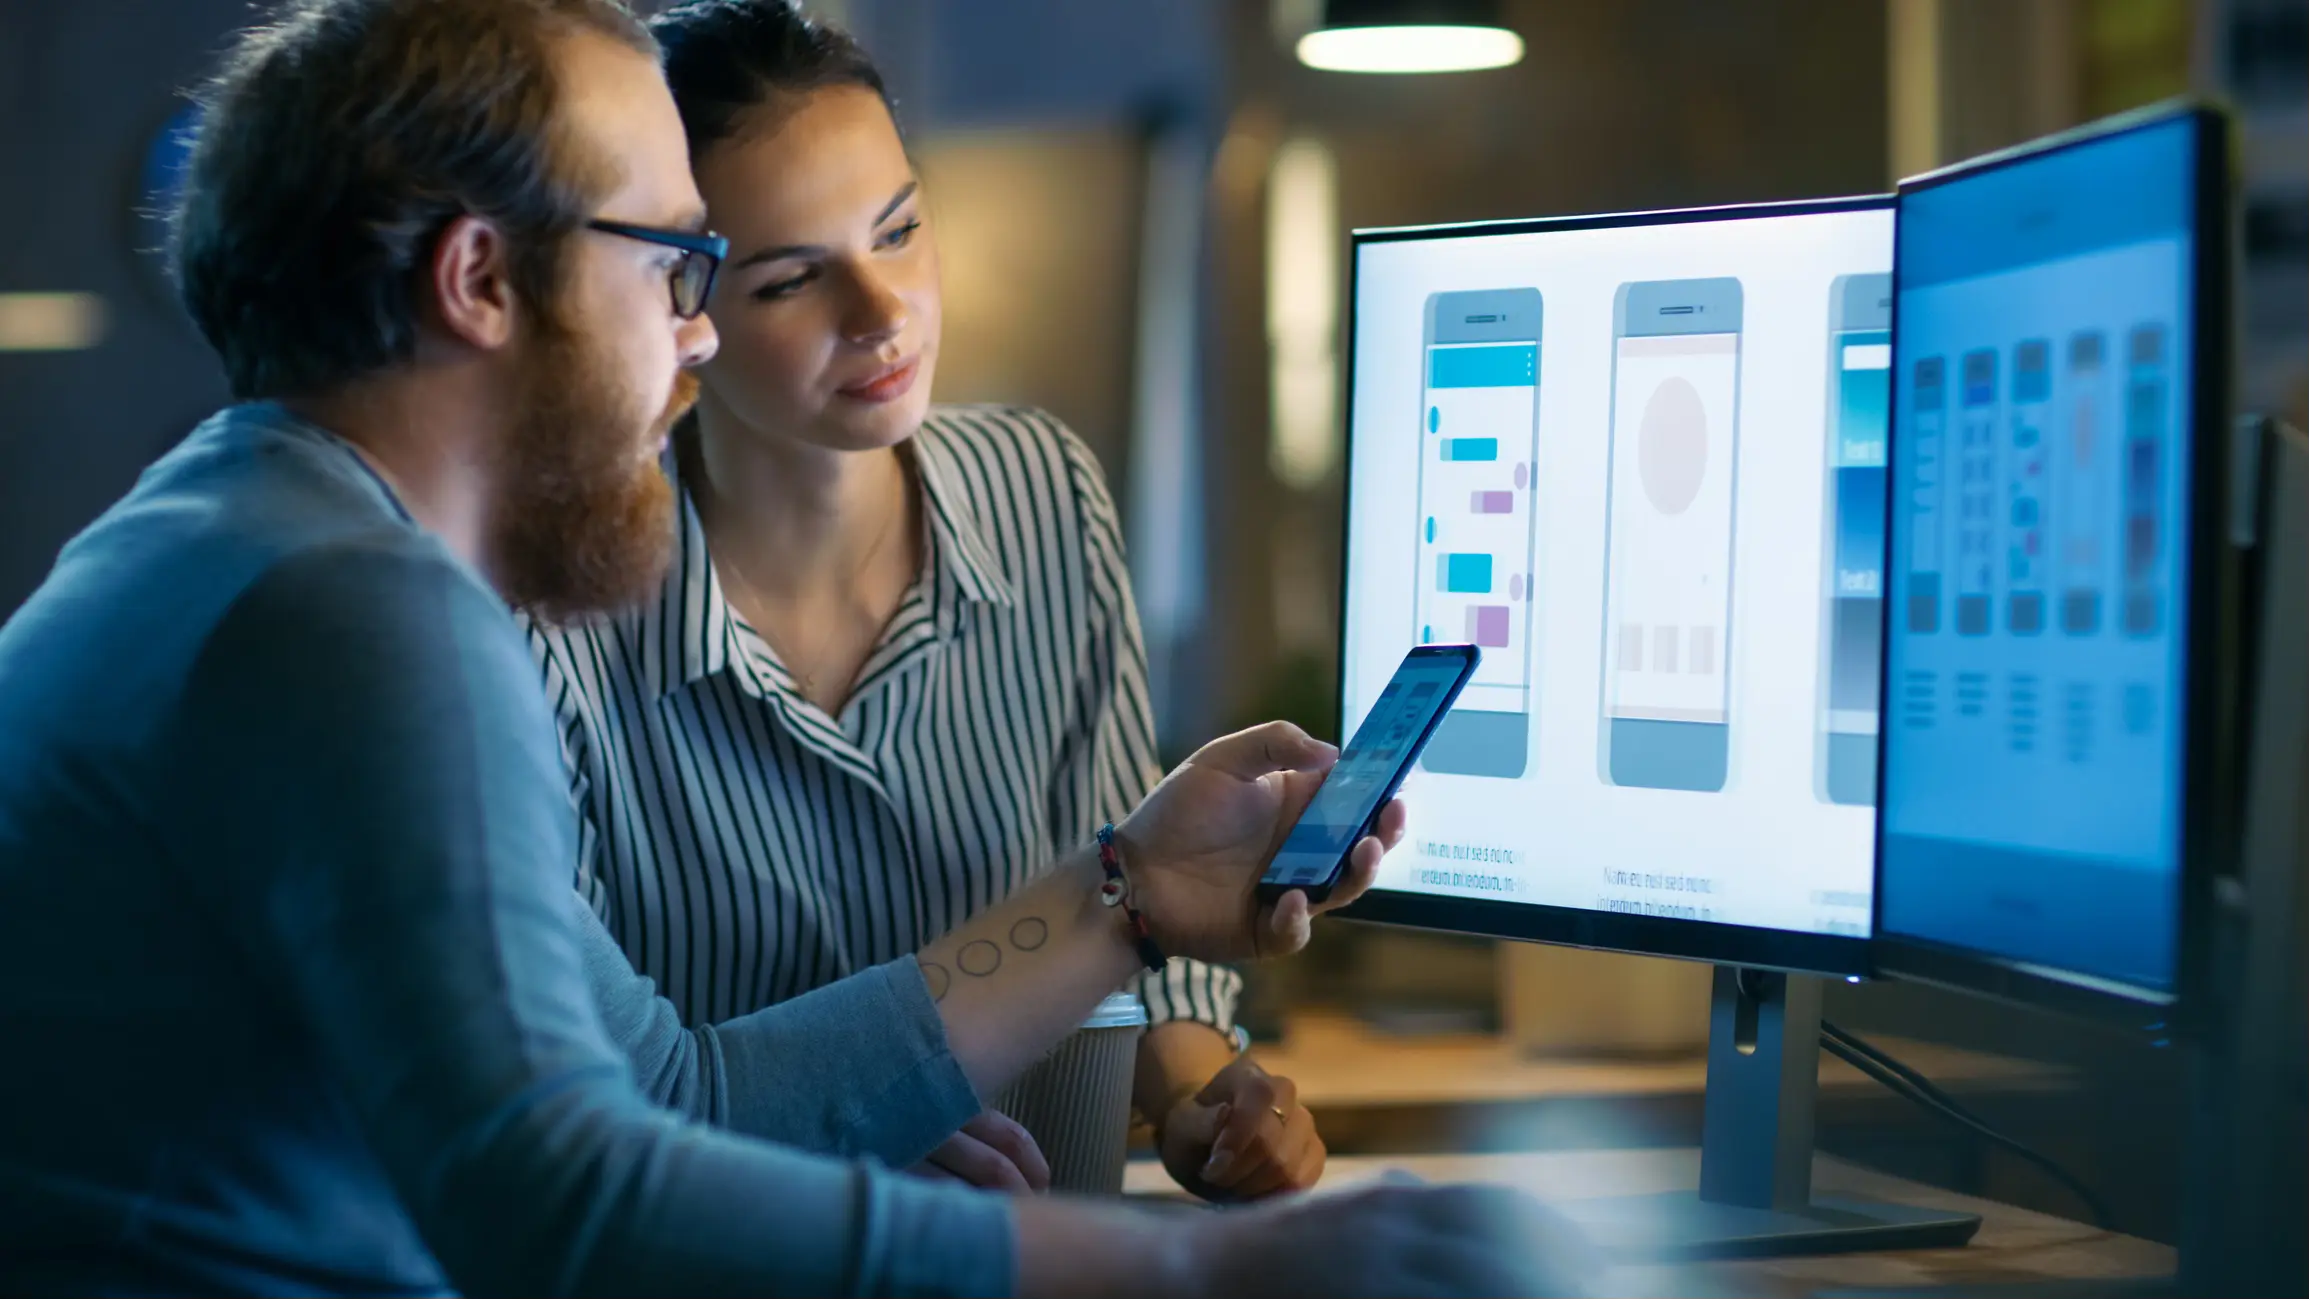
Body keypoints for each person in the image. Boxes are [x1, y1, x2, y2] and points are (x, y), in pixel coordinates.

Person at [0, 0, 1598, 1294]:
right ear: (482, 278)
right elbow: (571, 1210)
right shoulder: (357, 611)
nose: (694, 333)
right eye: (681, 264)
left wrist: (1126, 892)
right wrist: (1208, 1281)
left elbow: (666, 1099)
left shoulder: (236, 536)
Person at [524, 0, 1313, 1201]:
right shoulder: (557, 612)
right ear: (680, 311)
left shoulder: (1043, 493)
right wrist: (817, 1131)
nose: (882, 312)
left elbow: (1136, 926)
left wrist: (1207, 1101)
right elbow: (567, 1097)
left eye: (897, 231)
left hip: (1051, 1261)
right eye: (795, 280)